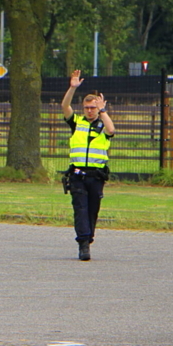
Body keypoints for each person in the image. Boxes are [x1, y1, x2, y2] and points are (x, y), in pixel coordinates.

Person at [61, 69, 115, 261]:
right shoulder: (77, 122)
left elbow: (111, 130)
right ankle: (83, 244)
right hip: (77, 175)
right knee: (80, 208)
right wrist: (72, 88)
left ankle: (88, 237)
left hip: (96, 175)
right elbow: (65, 106)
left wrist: (103, 111)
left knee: (92, 209)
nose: (90, 111)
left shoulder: (102, 123)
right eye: (87, 107)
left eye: (93, 107)